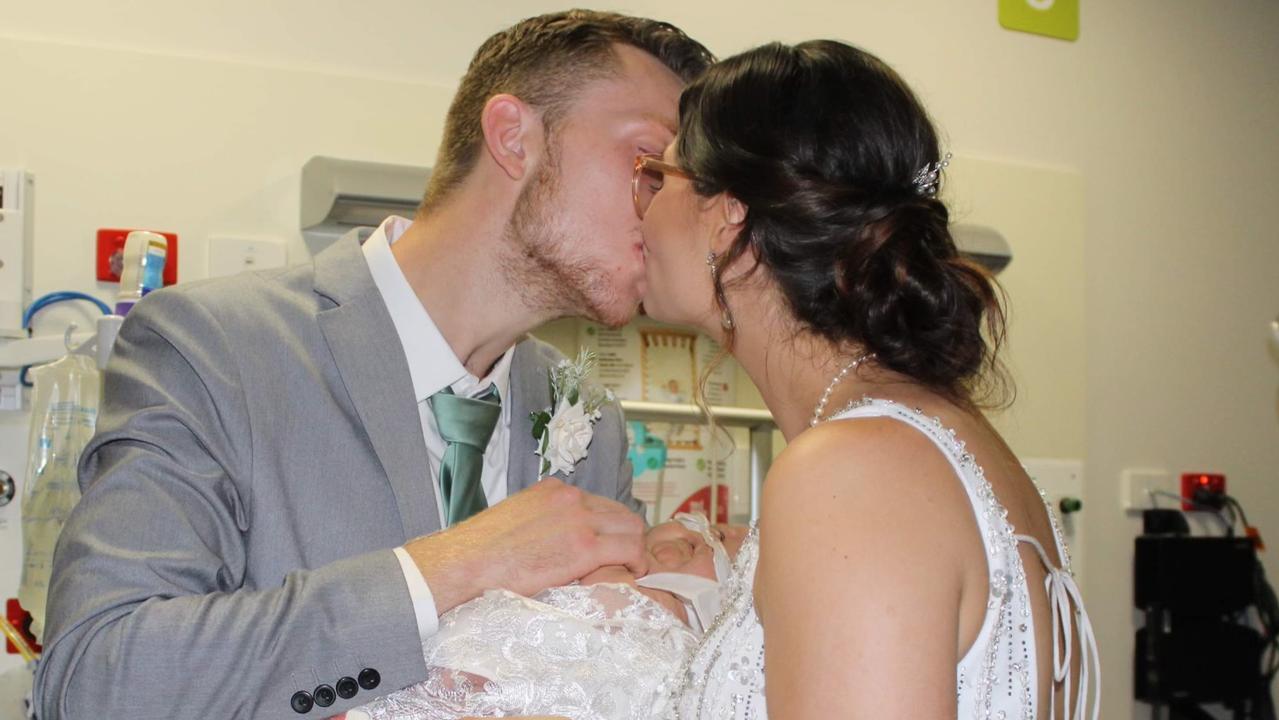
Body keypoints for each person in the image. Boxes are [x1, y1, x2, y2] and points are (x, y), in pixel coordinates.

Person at [33, 11, 713, 719]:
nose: (669, 214)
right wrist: (456, 565)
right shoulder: (217, 347)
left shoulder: (590, 424)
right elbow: (96, 680)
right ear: (515, 138)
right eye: (647, 165)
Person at [637, 40, 1100, 718]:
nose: (640, 209)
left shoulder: (853, 471)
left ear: (726, 214)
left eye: (658, 176)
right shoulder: (939, 441)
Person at [344, 515, 748, 720]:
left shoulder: (674, 646)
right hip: (394, 678)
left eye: (721, 542)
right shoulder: (606, 561)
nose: (702, 535)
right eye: (709, 526)